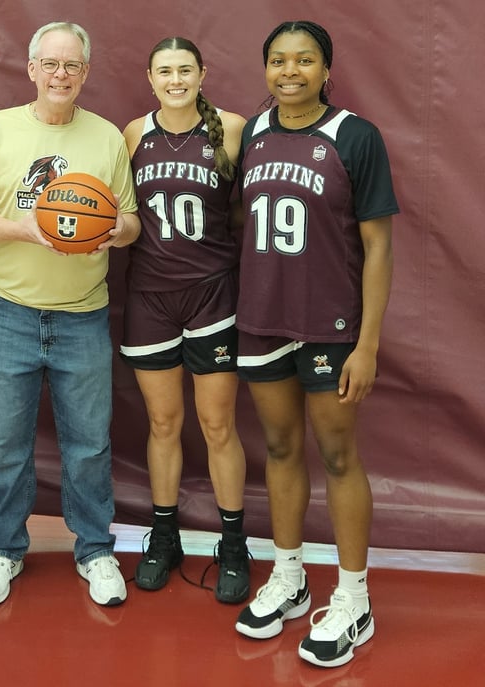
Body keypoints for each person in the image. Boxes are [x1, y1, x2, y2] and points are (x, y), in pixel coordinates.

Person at [0, 21, 140, 607]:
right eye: (51, 64)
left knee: (89, 444)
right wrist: (24, 230)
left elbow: (131, 221)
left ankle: (95, 550)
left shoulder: (106, 136)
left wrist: (106, 233)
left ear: (85, 72)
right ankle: (3, 550)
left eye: (73, 65)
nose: (61, 74)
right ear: (31, 69)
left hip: (83, 315)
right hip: (7, 311)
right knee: (6, 445)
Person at [232, 21, 398, 668]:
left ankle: (353, 595)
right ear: (265, 68)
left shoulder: (355, 135)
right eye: (278, 60)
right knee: (277, 446)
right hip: (261, 318)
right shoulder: (251, 132)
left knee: (336, 454)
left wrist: (368, 343)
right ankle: (290, 574)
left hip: (330, 327)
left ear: (327, 69)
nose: (290, 70)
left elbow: (380, 247)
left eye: (305, 60)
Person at [119, 37, 250, 603]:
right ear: (149, 78)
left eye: (185, 70)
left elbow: (247, 211)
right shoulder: (133, 133)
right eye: (165, 71)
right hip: (149, 296)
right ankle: (165, 534)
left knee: (218, 425)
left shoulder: (234, 127)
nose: (176, 80)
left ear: (203, 73)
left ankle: (233, 542)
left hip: (213, 296)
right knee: (164, 424)